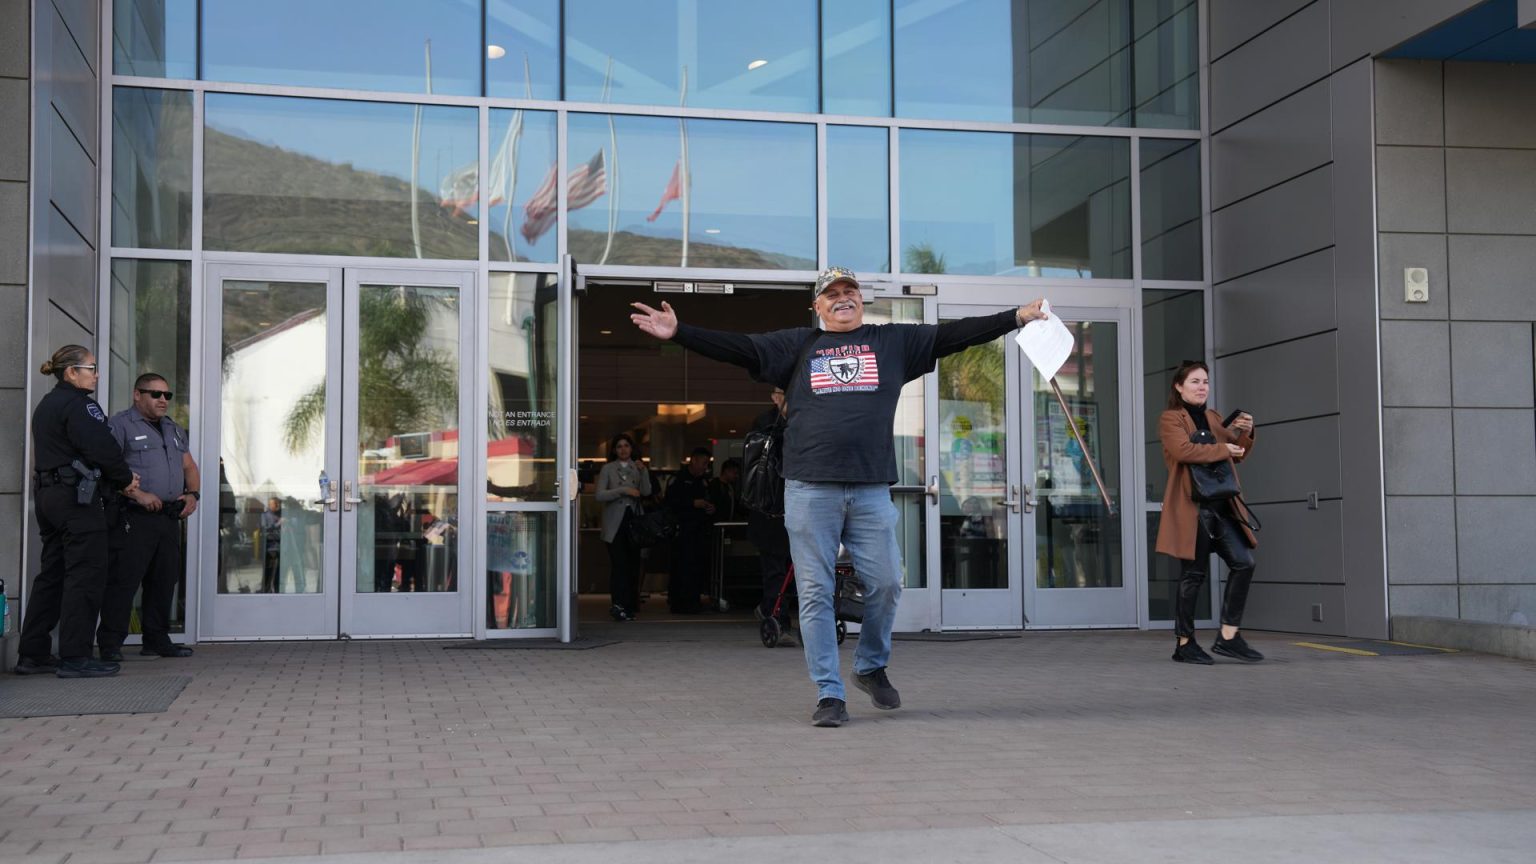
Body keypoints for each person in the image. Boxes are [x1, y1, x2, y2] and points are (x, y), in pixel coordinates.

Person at [632, 267, 1046, 726]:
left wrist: (1018, 317)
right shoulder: (797, 345)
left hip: (869, 489)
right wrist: (681, 332)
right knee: (814, 592)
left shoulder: (892, 343)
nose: (842, 298)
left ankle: (869, 666)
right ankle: (829, 693)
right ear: (818, 305)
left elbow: (956, 335)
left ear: (861, 301)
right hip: (809, 489)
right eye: (832, 294)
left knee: (887, 583)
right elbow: (741, 347)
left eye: (850, 291)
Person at [16, 346, 138, 678]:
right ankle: (75, 657)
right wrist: (126, 479)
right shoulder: (81, 405)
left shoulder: (47, 404)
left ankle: (33, 653)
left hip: (50, 497)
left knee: (52, 575)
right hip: (76, 501)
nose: (96, 374)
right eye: (92, 368)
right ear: (72, 372)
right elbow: (101, 448)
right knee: (85, 576)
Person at [1156, 360, 1264, 665]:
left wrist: (1247, 432)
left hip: (1222, 508)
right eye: (1195, 381)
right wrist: (1222, 449)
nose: (1202, 386)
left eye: (1205, 381)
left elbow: (1237, 454)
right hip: (1192, 508)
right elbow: (1183, 451)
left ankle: (1229, 637)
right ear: (1179, 387)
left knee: (1244, 563)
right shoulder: (1171, 419)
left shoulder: (1214, 417)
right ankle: (1185, 643)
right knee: (1193, 575)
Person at [98, 373, 201, 660]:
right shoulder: (120, 425)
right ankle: (110, 644)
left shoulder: (173, 429)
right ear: (137, 394)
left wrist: (193, 494)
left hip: (168, 516)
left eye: (167, 395)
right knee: (124, 580)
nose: (162, 400)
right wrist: (138, 494)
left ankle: (156, 640)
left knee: (164, 579)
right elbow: (109, 469)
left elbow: (189, 465)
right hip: (133, 516)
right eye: (155, 394)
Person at [746, 388, 794, 631]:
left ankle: (772, 610)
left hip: (797, 503)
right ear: (774, 396)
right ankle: (777, 617)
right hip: (771, 506)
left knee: (796, 567)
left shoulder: (805, 416)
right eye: (782, 392)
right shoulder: (766, 422)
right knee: (775, 567)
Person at [594, 433, 652, 621]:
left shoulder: (637, 467)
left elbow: (647, 491)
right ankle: (618, 605)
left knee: (634, 565)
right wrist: (623, 491)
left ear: (632, 448)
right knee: (619, 566)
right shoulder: (608, 469)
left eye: (626, 445)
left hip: (634, 521)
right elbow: (599, 495)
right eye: (619, 446)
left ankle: (630, 606)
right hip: (615, 523)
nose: (623, 449)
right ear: (614, 450)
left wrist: (644, 472)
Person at [663, 447, 716, 614]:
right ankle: (679, 602)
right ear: (693, 460)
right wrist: (692, 503)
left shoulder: (704, 482)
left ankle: (694, 600)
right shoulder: (678, 479)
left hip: (699, 531)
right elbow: (670, 503)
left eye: (707, 464)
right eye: (703, 463)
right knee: (681, 567)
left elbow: (709, 500)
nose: (705, 467)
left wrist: (710, 508)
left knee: (696, 567)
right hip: (682, 530)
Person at [259, 497, 283, 594]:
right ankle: (266, 589)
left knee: (278, 571)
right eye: (274, 504)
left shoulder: (280, 515)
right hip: (270, 546)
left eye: (277, 504)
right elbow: (265, 529)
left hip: (279, 545)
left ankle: (276, 590)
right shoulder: (265, 515)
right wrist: (278, 524)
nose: (276, 506)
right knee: (268, 570)